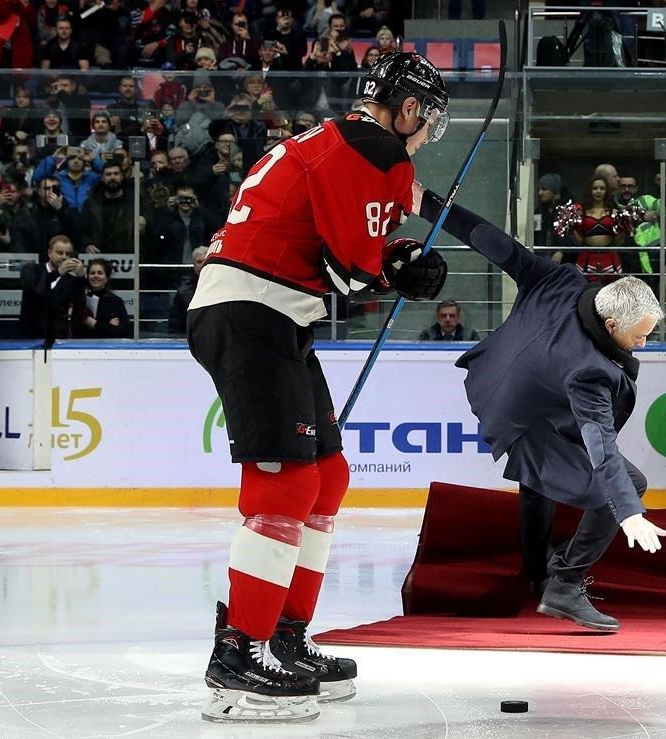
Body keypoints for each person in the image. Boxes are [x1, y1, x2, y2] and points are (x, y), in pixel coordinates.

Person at [187, 52, 450, 723]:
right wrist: (401, 270)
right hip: (252, 311)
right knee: (285, 483)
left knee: (325, 475)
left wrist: (395, 260)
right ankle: (237, 654)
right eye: (430, 123)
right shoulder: (377, 151)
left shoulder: (338, 141)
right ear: (410, 109)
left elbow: (339, 250)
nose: (426, 138)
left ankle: (283, 634)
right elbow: (350, 276)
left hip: (269, 311)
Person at [412, 182, 666, 632]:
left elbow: (495, 242)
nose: (644, 344)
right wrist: (629, 510)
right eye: (639, 335)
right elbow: (601, 447)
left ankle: (538, 578)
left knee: (536, 487)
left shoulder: (560, 280)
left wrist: (428, 206)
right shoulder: (589, 370)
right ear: (610, 323)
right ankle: (565, 584)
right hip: (531, 416)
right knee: (629, 480)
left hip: (509, 388)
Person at [19, 235, 85, 341]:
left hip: (59, 337)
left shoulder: (71, 280)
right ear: (49, 253)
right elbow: (36, 292)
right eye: (60, 253)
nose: (64, 257)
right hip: (31, 335)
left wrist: (81, 278)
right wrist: (57, 273)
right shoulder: (32, 269)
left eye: (68, 254)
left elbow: (79, 306)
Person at [74, 258, 131, 338]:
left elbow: (123, 332)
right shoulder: (83, 300)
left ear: (107, 278)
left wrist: (94, 323)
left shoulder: (116, 301)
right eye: (92, 273)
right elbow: (77, 329)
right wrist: (108, 326)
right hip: (84, 347)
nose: (96, 276)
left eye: (100, 273)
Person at [170, 245, 209, 334]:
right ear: (194, 265)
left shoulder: (222, 289)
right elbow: (174, 326)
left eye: (205, 261)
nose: (202, 265)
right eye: (199, 262)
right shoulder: (183, 293)